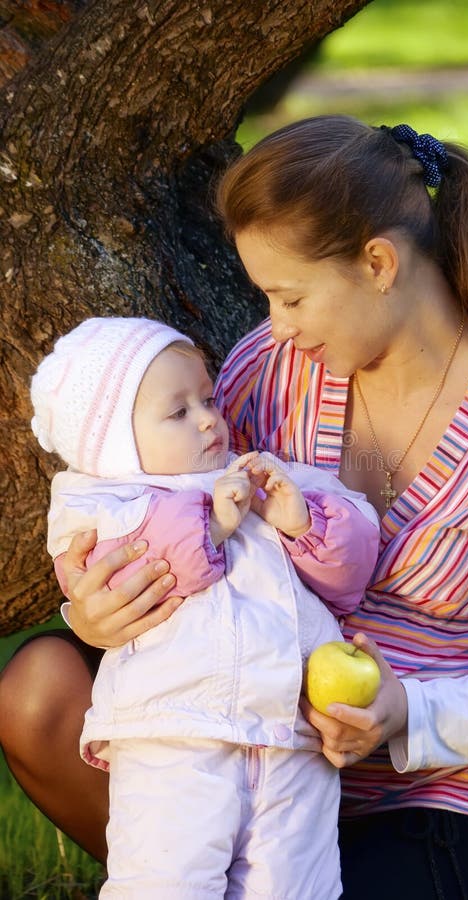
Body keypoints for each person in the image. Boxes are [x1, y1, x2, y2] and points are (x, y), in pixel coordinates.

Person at [1, 115, 468, 899]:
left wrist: (405, 714)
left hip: (425, 796)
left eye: (291, 297)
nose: (275, 325)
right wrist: (98, 618)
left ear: (378, 264)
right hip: (234, 746)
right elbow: (176, 524)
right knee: (40, 687)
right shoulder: (269, 371)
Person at [27, 315, 380, 898]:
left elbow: (353, 571)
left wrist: (302, 522)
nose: (209, 418)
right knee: (166, 878)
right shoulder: (102, 503)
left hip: (290, 737)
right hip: (175, 736)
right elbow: (124, 562)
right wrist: (211, 523)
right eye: (179, 411)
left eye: (208, 398)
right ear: (115, 441)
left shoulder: (257, 477)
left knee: (297, 886)